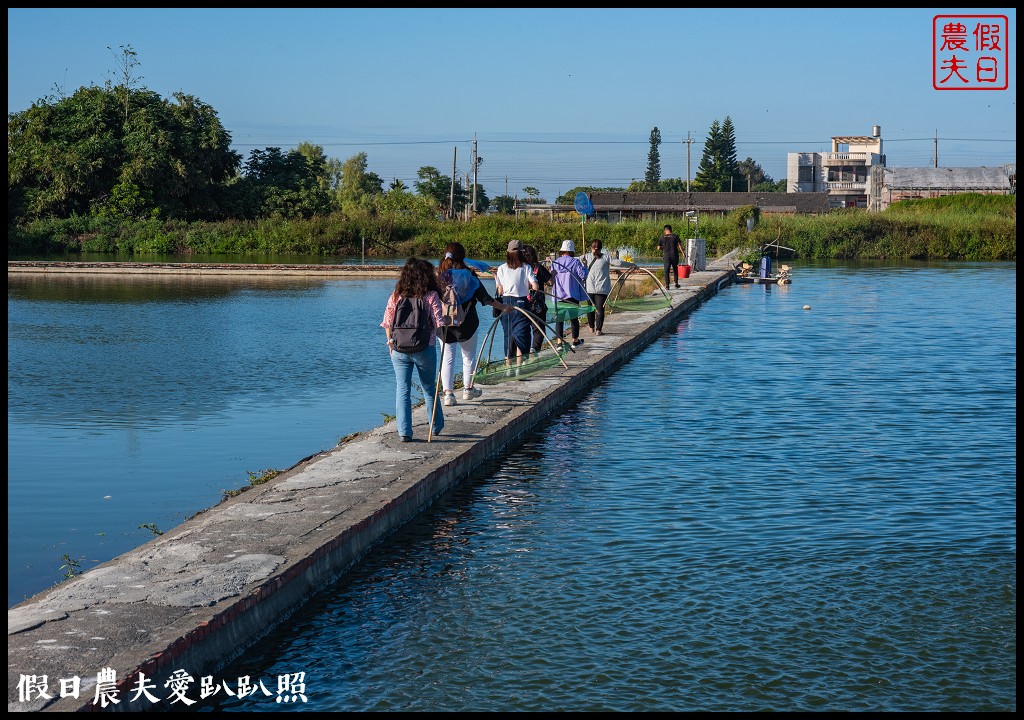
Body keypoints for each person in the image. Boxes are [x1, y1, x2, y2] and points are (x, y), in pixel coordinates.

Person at [380, 257, 449, 442]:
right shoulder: (430, 295)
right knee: (428, 388)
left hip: (398, 349)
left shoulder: (397, 295)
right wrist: (449, 321)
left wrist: (390, 345)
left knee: (402, 389)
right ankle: (435, 426)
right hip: (425, 348)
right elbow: (439, 323)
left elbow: (387, 323)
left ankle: (404, 432)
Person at [436, 243, 508, 407]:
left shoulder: (439, 276)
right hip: (467, 323)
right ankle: (468, 389)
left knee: (447, 358)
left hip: (444, 325)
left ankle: (448, 394)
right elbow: (486, 299)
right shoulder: (469, 275)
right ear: (463, 257)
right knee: (468, 357)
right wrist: (504, 307)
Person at [494, 239, 538, 366]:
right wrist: (533, 293)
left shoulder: (501, 268)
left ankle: (508, 367)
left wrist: (496, 281)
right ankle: (519, 366)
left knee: (508, 335)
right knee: (521, 335)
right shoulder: (526, 267)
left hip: (505, 304)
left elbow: (500, 290)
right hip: (522, 303)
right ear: (521, 253)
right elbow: (534, 284)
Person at [581, 238, 631, 336]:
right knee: (600, 309)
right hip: (602, 288)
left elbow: (573, 260)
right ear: (601, 248)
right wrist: (631, 265)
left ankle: (591, 327)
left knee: (590, 307)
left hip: (589, 287)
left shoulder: (586, 256)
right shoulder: (606, 257)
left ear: (591, 248)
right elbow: (619, 263)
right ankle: (598, 330)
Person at [550, 239, 588, 347]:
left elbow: (551, 276)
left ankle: (559, 343)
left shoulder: (556, 262)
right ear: (571, 251)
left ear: (562, 250)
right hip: (572, 294)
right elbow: (583, 275)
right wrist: (585, 267)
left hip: (558, 294)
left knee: (559, 319)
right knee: (574, 317)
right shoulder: (575, 262)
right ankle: (575, 340)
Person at [522, 244, 553, 355]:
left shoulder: (520, 267)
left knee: (523, 328)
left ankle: (522, 352)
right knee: (538, 329)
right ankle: (534, 349)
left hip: (522, 303)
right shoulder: (538, 267)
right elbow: (550, 282)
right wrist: (552, 274)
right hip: (537, 303)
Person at [659, 224, 685, 289]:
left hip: (666, 256)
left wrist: (664, 248)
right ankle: (676, 284)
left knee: (666, 270)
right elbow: (679, 245)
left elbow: (658, 248)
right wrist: (683, 253)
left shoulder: (662, 237)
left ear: (665, 230)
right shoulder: (675, 236)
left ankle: (667, 285)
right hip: (674, 255)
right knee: (675, 269)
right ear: (671, 230)